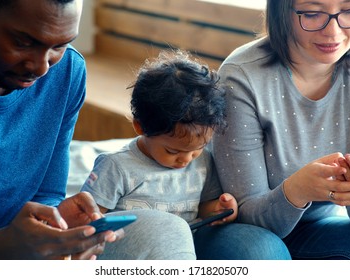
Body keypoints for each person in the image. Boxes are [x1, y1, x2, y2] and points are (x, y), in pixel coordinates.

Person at [0, 0, 193, 260]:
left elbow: (47, 192)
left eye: (59, 45)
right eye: (23, 43)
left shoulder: (66, 71)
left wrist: (58, 223)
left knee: (164, 229)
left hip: (27, 253)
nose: (42, 68)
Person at [213, 0, 350, 259]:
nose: (333, 32)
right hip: (249, 231)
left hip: (321, 225)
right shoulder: (241, 76)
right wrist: (296, 191)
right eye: (313, 14)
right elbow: (244, 211)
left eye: (348, 12)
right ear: (281, 13)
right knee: (265, 253)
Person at [81, 50, 291, 260]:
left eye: (197, 149)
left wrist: (219, 209)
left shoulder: (203, 161)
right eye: (173, 151)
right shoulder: (115, 166)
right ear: (140, 127)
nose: (186, 159)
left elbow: (203, 207)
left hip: (187, 249)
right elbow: (89, 220)